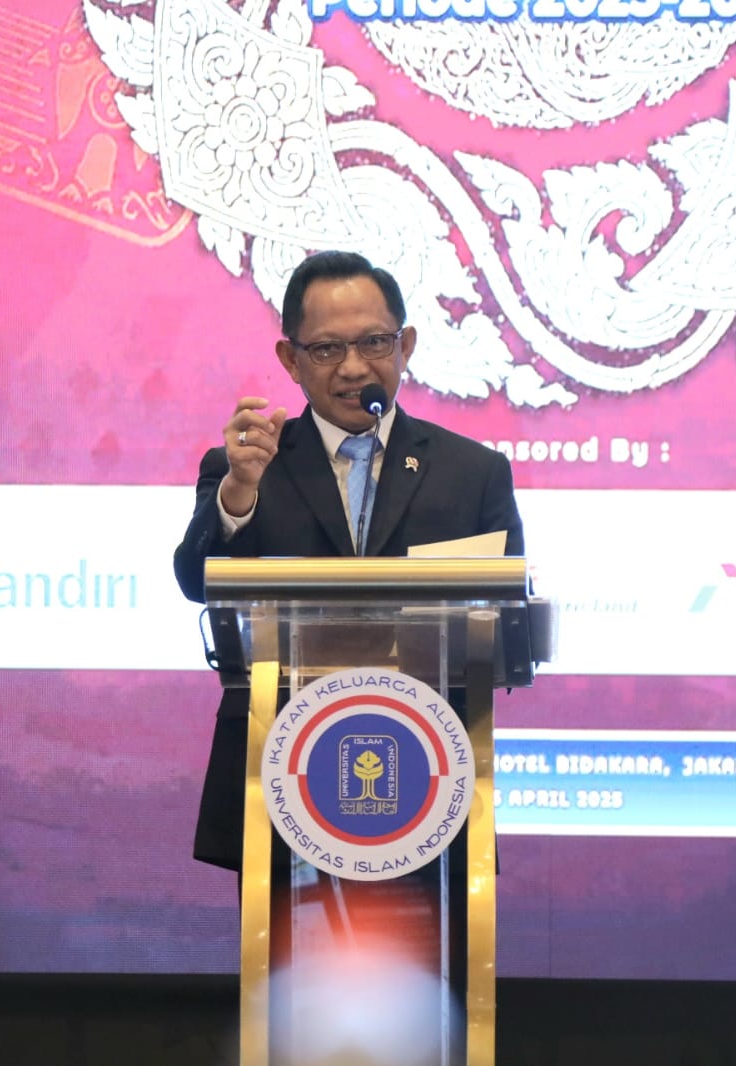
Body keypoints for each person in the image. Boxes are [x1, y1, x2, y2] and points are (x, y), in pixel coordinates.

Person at [174, 249, 524, 871]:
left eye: (374, 343)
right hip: (280, 774)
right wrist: (238, 493)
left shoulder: (473, 473)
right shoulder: (248, 466)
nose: (355, 367)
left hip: (430, 778)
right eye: (327, 349)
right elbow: (196, 582)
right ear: (291, 360)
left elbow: (505, 618)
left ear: (405, 346)